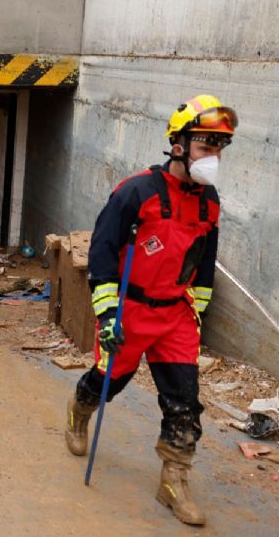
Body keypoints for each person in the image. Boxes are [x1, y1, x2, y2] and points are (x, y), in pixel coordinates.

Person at [63, 94, 237, 526]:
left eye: (219, 147)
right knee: (110, 381)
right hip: (132, 310)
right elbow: (102, 251)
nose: (212, 156)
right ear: (178, 144)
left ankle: (174, 481)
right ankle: (79, 411)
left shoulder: (209, 201)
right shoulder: (135, 191)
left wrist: (196, 309)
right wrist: (107, 315)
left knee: (184, 401)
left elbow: (204, 259)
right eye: (205, 145)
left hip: (175, 316)